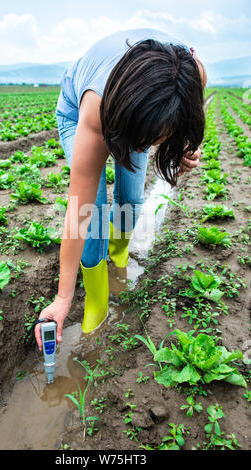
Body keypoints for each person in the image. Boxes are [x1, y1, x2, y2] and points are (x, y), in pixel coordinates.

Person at [35, 28, 207, 349]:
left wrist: (184, 142)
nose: (146, 147)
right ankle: (96, 307)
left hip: (140, 110)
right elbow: (79, 215)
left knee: (132, 198)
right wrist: (62, 299)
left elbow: (191, 110)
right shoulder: (95, 114)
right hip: (85, 110)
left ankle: (119, 254)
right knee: (96, 213)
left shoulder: (191, 73)